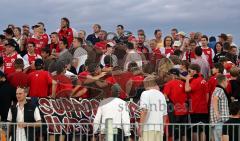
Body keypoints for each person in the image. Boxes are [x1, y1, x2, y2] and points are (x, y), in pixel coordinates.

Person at [138, 75, 167, 141]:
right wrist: (162, 129)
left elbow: (144, 110)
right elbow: (165, 115)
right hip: (159, 129)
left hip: (147, 129)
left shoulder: (145, 93)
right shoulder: (161, 95)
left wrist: (140, 127)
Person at [185, 64, 209, 141]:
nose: (188, 73)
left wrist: (187, 80)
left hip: (196, 108)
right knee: (202, 129)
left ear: (194, 71)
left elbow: (187, 89)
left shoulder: (196, 81)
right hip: (203, 108)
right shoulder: (203, 80)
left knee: (195, 129)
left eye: (189, 71)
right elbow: (207, 94)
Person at [163, 68, 188, 141]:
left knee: (173, 132)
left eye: (169, 75)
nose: (167, 76)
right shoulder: (183, 83)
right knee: (183, 133)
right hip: (184, 110)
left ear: (172, 75)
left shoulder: (168, 84)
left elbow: (164, 96)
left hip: (173, 112)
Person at [210, 74, 229, 141]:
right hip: (219, 121)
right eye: (227, 81)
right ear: (223, 81)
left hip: (218, 121)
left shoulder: (217, 89)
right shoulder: (220, 90)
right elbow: (215, 98)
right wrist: (217, 113)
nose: (227, 83)